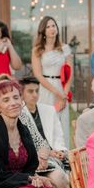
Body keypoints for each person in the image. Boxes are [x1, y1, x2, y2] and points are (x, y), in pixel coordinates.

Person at [0, 74, 73, 188]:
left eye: (14, 94)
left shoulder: (22, 115)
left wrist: (43, 157)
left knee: (59, 180)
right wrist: (29, 174)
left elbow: (39, 141)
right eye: (4, 94)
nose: (11, 98)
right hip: (8, 174)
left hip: (32, 163)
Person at [30, 16, 72, 148]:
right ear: (43, 30)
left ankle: (63, 153)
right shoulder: (37, 50)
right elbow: (38, 74)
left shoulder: (65, 48)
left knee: (62, 122)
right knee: (46, 120)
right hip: (46, 88)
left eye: (53, 25)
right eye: (48, 26)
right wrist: (57, 93)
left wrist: (64, 94)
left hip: (62, 86)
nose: (52, 29)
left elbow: (70, 72)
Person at [20, 76, 67, 155]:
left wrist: (60, 151)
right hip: (36, 156)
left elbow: (58, 137)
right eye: (30, 91)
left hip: (55, 153)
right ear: (21, 93)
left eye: (37, 91)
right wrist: (48, 153)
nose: (35, 95)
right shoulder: (18, 114)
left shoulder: (50, 110)